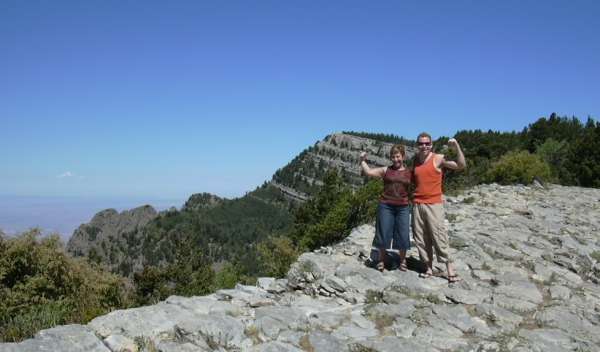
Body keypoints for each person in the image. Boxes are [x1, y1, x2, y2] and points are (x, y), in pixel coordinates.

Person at [412, 132, 465, 283]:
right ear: (417, 145)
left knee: (439, 235)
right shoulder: (416, 160)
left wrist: (457, 148)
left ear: (431, 144)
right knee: (420, 238)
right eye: (421, 143)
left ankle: (450, 270)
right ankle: (428, 268)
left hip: (434, 204)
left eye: (427, 143)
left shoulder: (438, 158)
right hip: (417, 204)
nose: (424, 146)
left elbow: (461, 165)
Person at [360, 144, 412, 272]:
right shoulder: (386, 170)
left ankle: (402, 260)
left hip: (403, 206)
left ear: (403, 157)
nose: (395, 159)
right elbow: (368, 172)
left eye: (398, 156)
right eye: (393, 157)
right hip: (386, 206)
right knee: (383, 233)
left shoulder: (409, 172)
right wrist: (362, 160)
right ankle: (381, 260)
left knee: (403, 233)